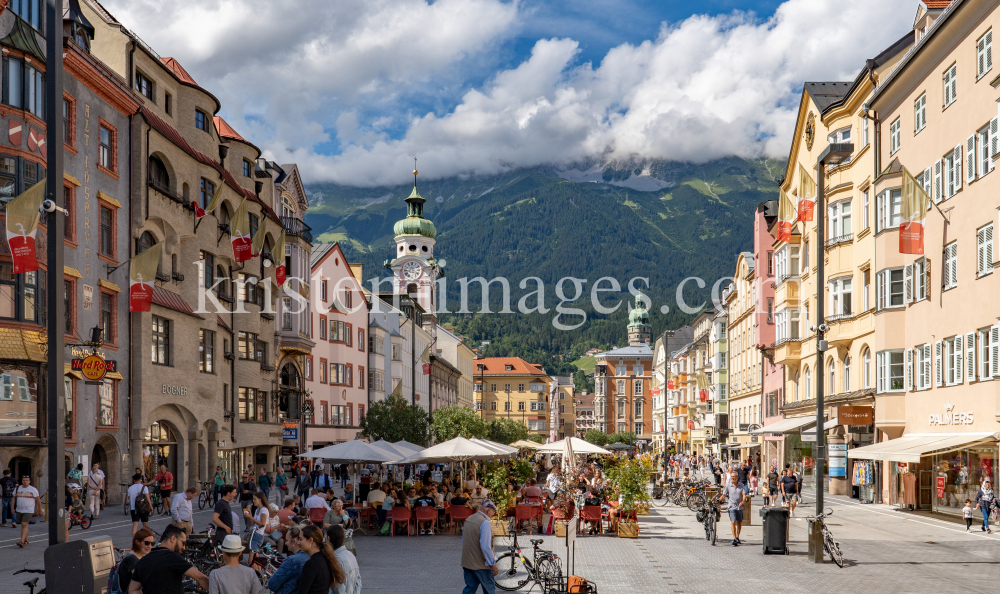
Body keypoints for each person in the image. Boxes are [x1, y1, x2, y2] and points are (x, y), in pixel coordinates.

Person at [128, 524, 209, 593]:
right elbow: (200, 577)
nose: (184, 547)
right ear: (173, 538)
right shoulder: (172, 557)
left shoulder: (143, 561)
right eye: (183, 543)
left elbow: (133, 590)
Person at [461, 500, 499, 594]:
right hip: (481, 565)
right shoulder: (485, 523)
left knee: (470, 588)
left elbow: (464, 540)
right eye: (493, 512)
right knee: (489, 590)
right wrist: (493, 565)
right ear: (489, 511)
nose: (492, 515)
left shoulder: (470, 518)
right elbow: (486, 547)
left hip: (468, 562)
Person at [296, 524, 344, 594]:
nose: (298, 542)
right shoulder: (324, 558)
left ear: (310, 540)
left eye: (300, 539)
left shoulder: (312, 564)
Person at [268, 525, 309, 594]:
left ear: (294, 541)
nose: (286, 543)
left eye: (287, 540)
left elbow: (272, 584)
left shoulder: (292, 560)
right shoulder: (310, 556)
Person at [117, 528, 155, 593]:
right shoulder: (132, 560)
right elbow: (142, 580)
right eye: (147, 543)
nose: (150, 546)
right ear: (137, 542)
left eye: (152, 543)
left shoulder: (138, 557)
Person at [328, 525, 361, 594]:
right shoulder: (351, 555)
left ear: (328, 538)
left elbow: (339, 589)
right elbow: (358, 582)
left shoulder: (335, 560)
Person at [14, 475, 40, 548]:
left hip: (29, 510)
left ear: (29, 481)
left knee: (24, 524)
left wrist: (40, 510)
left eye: (26, 480)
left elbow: (38, 500)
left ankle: (21, 541)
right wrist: (12, 508)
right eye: (23, 480)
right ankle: (26, 540)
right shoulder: (17, 488)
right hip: (19, 509)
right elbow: (13, 498)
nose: (25, 482)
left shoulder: (33, 489)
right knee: (24, 525)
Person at [128, 473, 152, 537]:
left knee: (135, 526)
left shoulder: (130, 488)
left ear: (134, 480)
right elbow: (147, 498)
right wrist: (151, 507)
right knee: (145, 525)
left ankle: (134, 541)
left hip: (134, 508)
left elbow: (128, 498)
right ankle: (145, 539)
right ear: (141, 479)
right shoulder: (144, 487)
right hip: (144, 508)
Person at [726, 471, 746, 546]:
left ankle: (737, 536)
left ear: (737, 477)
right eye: (731, 477)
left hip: (739, 507)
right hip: (731, 506)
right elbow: (724, 494)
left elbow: (744, 495)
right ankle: (734, 538)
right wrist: (719, 500)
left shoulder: (741, 485)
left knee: (739, 522)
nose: (732, 478)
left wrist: (743, 501)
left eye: (734, 476)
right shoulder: (728, 485)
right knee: (733, 522)